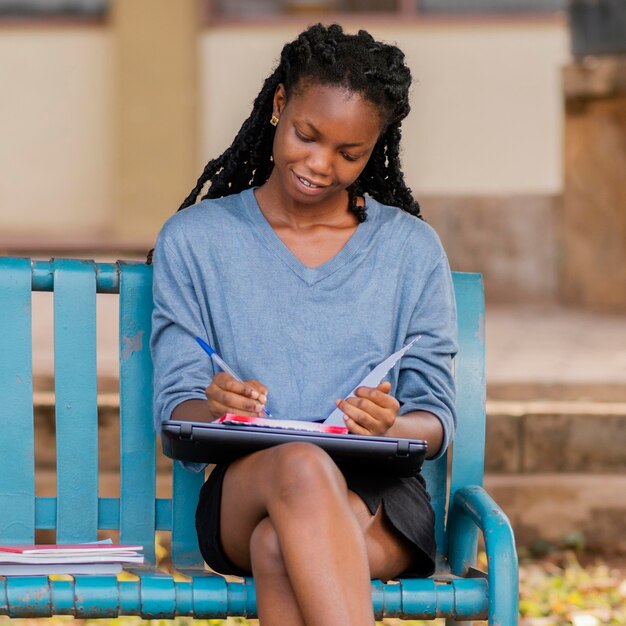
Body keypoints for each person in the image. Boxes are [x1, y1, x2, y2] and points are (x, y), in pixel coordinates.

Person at [150, 23, 457, 626]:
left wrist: (391, 422)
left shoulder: (411, 250)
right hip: (247, 487)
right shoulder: (195, 241)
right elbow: (175, 407)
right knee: (298, 463)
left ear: (376, 148)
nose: (320, 165)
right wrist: (215, 408)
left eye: (350, 154)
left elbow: (437, 418)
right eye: (307, 136)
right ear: (279, 105)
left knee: (279, 548)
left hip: (380, 501)